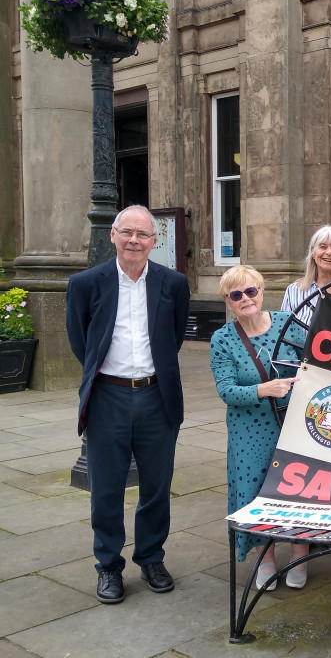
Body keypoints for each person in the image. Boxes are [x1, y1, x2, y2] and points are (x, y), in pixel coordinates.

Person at [66, 205, 191, 604]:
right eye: (127, 232)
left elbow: (173, 339)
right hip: (108, 396)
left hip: (157, 396)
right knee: (106, 487)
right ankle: (108, 567)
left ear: (155, 241)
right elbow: (80, 341)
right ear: (113, 236)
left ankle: (151, 557)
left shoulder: (173, 283)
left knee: (156, 486)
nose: (135, 240)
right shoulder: (86, 283)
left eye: (143, 234)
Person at [211, 266, 309, 590]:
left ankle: (299, 554)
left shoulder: (286, 324)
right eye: (236, 295)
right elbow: (226, 390)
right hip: (249, 429)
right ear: (228, 301)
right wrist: (263, 390)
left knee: (295, 489)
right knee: (257, 491)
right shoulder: (223, 339)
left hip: (292, 423)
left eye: (250, 291)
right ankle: (265, 557)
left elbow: (318, 356)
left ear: (262, 291)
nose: (245, 299)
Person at [281, 225, 331, 324]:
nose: (329, 252)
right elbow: (284, 332)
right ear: (313, 254)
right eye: (323, 247)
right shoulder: (294, 291)